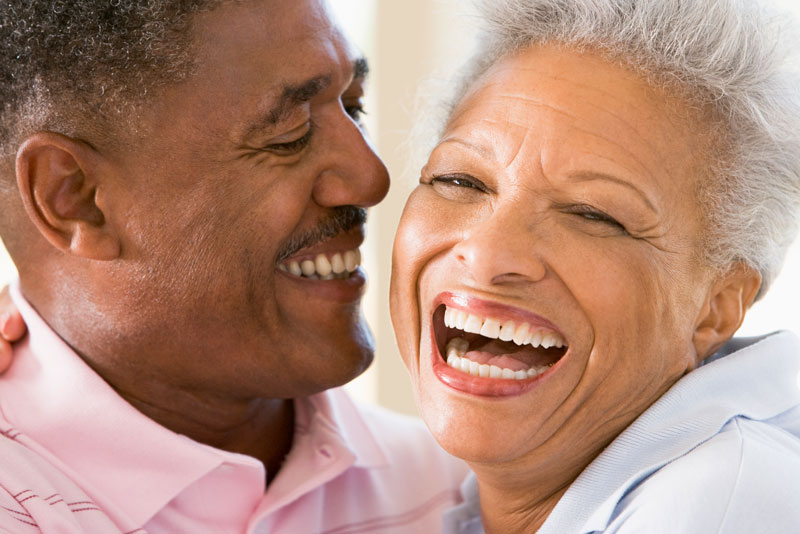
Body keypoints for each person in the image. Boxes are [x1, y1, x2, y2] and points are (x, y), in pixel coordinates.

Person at [0, 1, 467, 533]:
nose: (371, 179)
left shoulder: (457, 493)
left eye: (353, 107)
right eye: (290, 134)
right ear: (75, 198)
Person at [389, 0, 800, 532]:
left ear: (716, 307)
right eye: (460, 181)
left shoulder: (717, 506)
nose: (488, 255)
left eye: (592, 214)